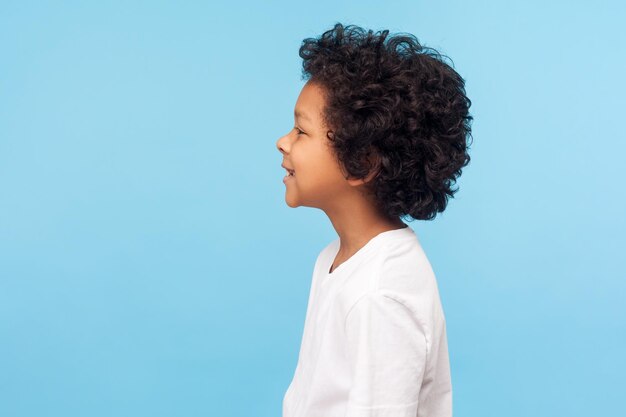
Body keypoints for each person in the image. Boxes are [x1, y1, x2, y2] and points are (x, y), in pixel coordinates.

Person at [276, 22, 473, 417]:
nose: (283, 141)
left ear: (361, 162)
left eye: (301, 131)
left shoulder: (381, 293)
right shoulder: (336, 260)